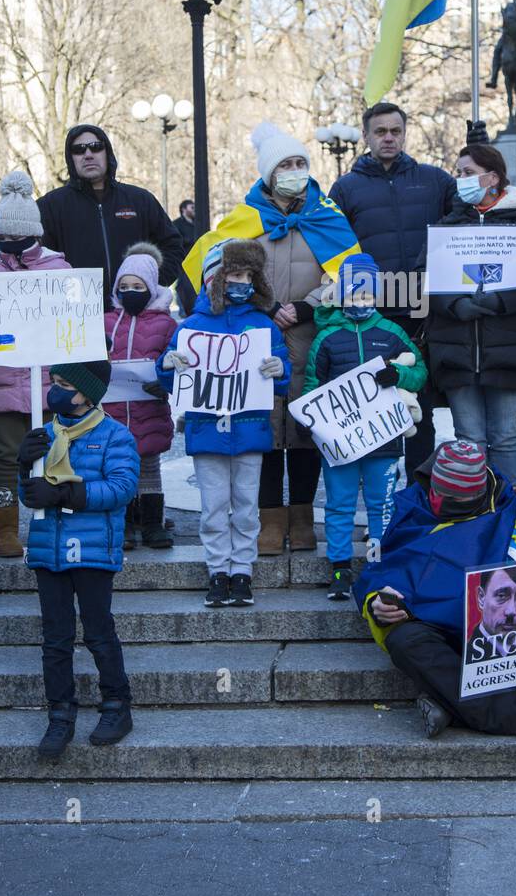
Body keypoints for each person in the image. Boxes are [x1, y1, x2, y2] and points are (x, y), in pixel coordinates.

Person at [181, 123, 360, 556]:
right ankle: (268, 520)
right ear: (267, 173)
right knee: (261, 429)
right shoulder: (243, 221)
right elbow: (209, 271)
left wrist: (306, 305)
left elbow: (352, 274)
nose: (295, 171)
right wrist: (263, 305)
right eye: (285, 164)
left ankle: (301, 519)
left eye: (301, 163)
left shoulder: (328, 216)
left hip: (314, 339)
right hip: (255, 341)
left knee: (305, 432)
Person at [353, 440, 516, 738]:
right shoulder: (410, 507)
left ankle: (450, 704)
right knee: (405, 641)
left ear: (478, 495)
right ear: (432, 486)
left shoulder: (510, 515)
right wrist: (378, 604)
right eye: (440, 496)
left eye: (456, 503)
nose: (443, 504)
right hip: (433, 631)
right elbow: (376, 570)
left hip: (497, 639)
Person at [17, 359, 140, 759]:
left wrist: (67, 494)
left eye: (64, 384)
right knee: (55, 639)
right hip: (48, 551)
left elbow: (121, 488)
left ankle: (116, 706)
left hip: (91, 550)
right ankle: (60, 715)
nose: (55, 390)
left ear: (88, 393)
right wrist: (23, 469)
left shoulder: (114, 435)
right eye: (53, 382)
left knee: (99, 632)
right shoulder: (44, 433)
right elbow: (32, 496)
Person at [158, 239, 290, 608]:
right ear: (216, 279)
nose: (243, 282)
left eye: (249, 275)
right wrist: (168, 366)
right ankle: (218, 570)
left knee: (247, 506)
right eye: (235, 274)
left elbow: (280, 378)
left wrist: (280, 370)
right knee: (214, 506)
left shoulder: (263, 325)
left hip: (250, 430)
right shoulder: (192, 326)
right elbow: (173, 381)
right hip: (207, 430)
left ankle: (242, 572)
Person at [422, 142, 516, 490]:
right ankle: (477, 512)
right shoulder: (446, 225)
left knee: (505, 438)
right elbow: (424, 277)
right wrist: (454, 304)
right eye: (458, 172)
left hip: (510, 350)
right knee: (469, 438)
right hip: (457, 350)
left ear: (493, 177)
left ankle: (509, 513)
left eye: (467, 172)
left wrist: (501, 302)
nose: (460, 179)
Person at [329, 101, 456, 472]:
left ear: (405, 133)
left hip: (422, 314)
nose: (389, 138)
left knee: (420, 409)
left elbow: (468, 216)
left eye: (395, 131)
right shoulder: (346, 188)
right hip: (371, 316)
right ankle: (379, 498)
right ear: (366, 136)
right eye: (380, 131)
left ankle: (417, 491)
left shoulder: (435, 180)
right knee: (375, 409)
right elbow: (333, 251)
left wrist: (480, 155)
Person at [0, 171, 71, 558]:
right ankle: (5, 527)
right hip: (3, 379)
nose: (7, 244)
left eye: (13, 237)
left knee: (58, 451)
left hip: (49, 379)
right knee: (4, 454)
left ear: (33, 235)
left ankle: (55, 520)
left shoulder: (57, 269)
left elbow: (77, 320)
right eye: (1, 238)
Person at [303, 252, 427, 600]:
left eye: (367, 295)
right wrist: (308, 422)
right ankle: (339, 568)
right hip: (340, 442)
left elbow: (419, 373)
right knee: (339, 504)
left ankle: (378, 564)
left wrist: (399, 374)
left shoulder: (392, 332)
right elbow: (313, 383)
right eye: (353, 294)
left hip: (383, 440)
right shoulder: (326, 337)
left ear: (377, 296)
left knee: (381, 504)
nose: (359, 302)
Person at [37, 124, 185, 308]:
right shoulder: (50, 206)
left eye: (96, 147)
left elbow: (173, 246)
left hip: (134, 318)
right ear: (70, 158)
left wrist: (149, 284)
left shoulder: (140, 200)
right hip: (75, 319)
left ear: (107, 153)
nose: (88, 154)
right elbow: (35, 261)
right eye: (79, 150)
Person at [104, 243, 178, 550]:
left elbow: (177, 360)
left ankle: (152, 523)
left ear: (151, 287)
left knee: (149, 467)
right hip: (111, 411)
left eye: (138, 286)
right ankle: (123, 524)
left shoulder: (166, 323)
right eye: (124, 286)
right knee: (115, 467)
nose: (130, 291)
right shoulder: (105, 321)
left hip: (150, 409)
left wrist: (165, 381)